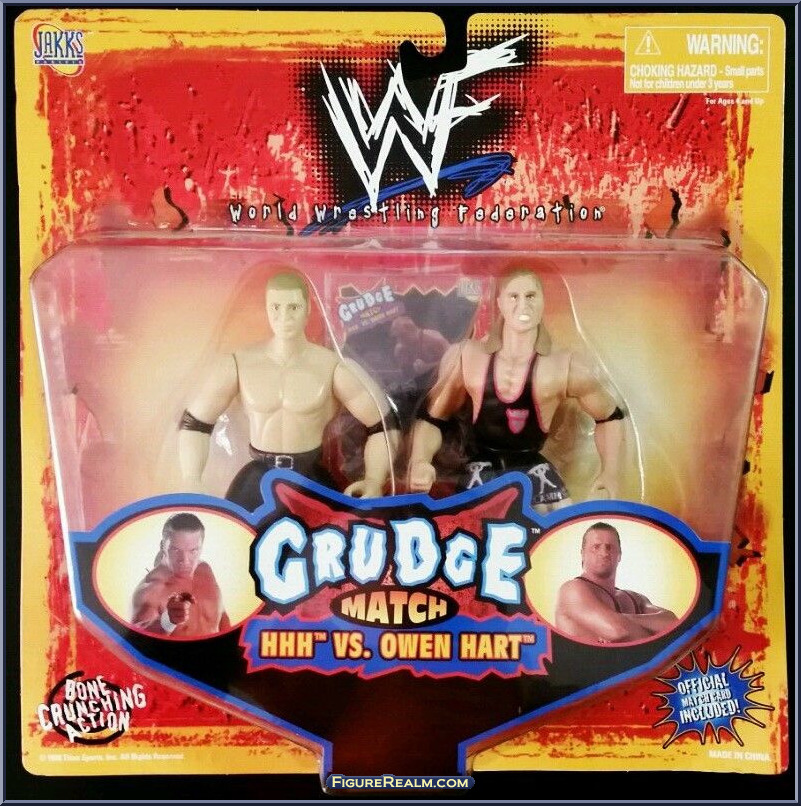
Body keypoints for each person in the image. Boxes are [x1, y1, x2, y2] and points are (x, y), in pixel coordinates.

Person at [178, 271, 399, 510]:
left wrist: (375, 479)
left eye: (293, 307)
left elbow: (383, 424)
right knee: (240, 531)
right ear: (266, 309)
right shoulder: (237, 364)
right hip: (256, 480)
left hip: (311, 479)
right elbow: (195, 422)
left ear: (308, 309)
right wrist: (191, 478)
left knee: (325, 531)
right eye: (276, 307)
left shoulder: (333, 367)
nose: (284, 316)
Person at [408, 266, 624, 509]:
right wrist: (419, 461)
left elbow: (609, 415)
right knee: (472, 526)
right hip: (482, 473)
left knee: (551, 528)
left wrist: (610, 473)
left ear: (542, 301)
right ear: (499, 302)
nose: (523, 305)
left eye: (531, 296)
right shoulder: (467, 357)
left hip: (535, 474)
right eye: (514, 296)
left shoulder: (565, 366)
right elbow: (433, 417)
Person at [555, 522, 678, 643]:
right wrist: (652, 630)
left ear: (619, 555)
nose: (604, 553)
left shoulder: (634, 598)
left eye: (609, 547)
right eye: (596, 547)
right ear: (582, 554)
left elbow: (673, 623)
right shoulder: (571, 590)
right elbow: (619, 631)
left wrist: (619, 619)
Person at [131, 513, 230, 637]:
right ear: (163, 546)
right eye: (176, 550)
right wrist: (168, 621)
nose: (185, 560)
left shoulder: (205, 570)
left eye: (193, 551)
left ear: (201, 547)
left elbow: (221, 616)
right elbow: (137, 639)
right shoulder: (151, 589)